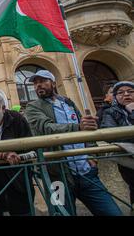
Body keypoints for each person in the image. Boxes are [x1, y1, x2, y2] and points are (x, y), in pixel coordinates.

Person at [25, 70, 122, 216]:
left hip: (86, 173)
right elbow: (46, 128)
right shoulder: (33, 107)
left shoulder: (68, 102)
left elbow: (85, 130)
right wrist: (77, 127)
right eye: (35, 83)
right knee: (61, 213)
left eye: (43, 81)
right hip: (57, 176)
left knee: (112, 212)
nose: (39, 85)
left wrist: (92, 154)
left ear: (53, 83)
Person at [100, 81, 134, 207]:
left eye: (130, 91)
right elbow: (110, 134)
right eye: (120, 92)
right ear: (115, 96)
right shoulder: (110, 112)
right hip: (129, 160)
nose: (126, 95)